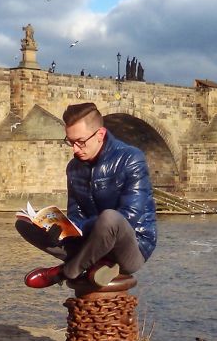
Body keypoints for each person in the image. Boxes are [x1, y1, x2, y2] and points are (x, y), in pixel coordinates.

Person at [17, 102, 157, 289]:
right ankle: (95, 264)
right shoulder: (74, 167)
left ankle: (64, 272)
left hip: (132, 246)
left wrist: (86, 227)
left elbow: (130, 215)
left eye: (80, 142)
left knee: (110, 218)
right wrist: (60, 229)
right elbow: (76, 214)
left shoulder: (131, 158)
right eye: (70, 142)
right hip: (90, 242)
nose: (75, 149)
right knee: (25, 225)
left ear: (100, 134)